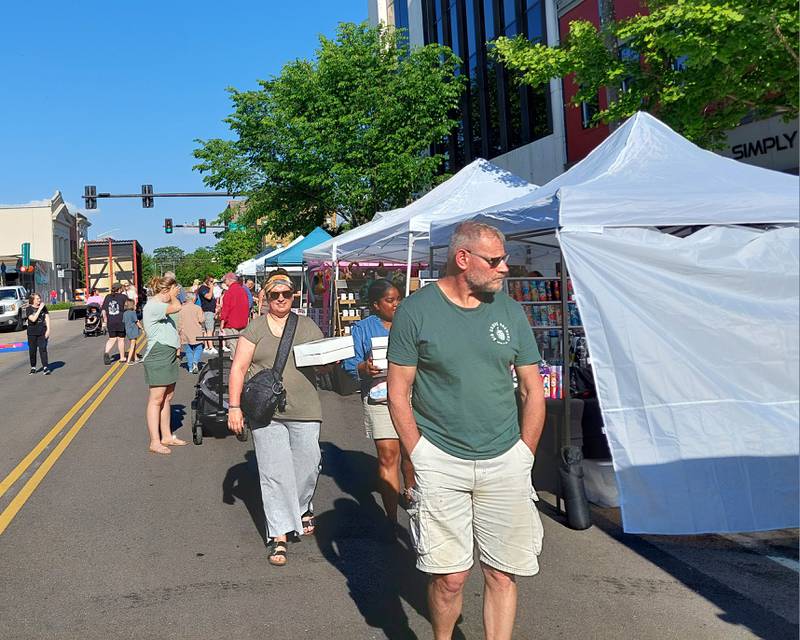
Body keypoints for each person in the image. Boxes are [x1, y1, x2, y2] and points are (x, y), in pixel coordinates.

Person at [387, 221, 546, 640]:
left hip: (505, 461)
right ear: (463, 260)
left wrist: (524, 454)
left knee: (502, 573)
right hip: (440, 460)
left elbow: (533, 389)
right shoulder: (416, 311)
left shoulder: (510, 312)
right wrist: (418, 453)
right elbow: (398, 392)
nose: (505, 268)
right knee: (449, 577)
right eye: (495, 261)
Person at [227, 269, 325, 567]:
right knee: (273, 472)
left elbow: (322, 364)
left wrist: (330, 363)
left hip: (305, 408)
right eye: (274, 295)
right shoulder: (255, 328)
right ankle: (279, 535)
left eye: (286, 294)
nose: (280, 299)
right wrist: (234, 407)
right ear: (266, 297)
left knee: (309, 464)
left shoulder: (307, 326)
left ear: (294, 295)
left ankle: (301, 505)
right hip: (265, 412)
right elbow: (238, 369)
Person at [343, 279, 414, 527]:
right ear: (375, 305)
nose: (396, 304)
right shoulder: (362, 329)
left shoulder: (411, 324)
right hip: (380, 399)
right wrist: (364, 367)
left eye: (398, 299)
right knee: (387, 455)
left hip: (412, 398)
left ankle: (411, 494)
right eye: (390, 300)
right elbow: (350, 363)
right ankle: (391, 518)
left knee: (411, 453)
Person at [141, 275, 186, 454]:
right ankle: (155, 441)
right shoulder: (153, 306)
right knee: (156, 399)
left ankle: (166, 436)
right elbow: (177, 307)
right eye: (174, 290)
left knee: (167, 398)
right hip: (158, 355)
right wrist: (174, 294)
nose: (177, 293)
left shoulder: (161, 307)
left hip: (168, 353)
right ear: (165, 291)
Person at [219, 272, 250, 361]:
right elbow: (248, 304)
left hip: (231, 322)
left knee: (233, 344)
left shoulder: (229, 292)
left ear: (229, 280)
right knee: (242, 344)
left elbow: (226, 309)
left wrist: (222, 322)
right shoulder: (243, 290)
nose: (225, 282)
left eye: (225, 280)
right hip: (243, 321)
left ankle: (236, 364)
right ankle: (244, 363)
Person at [102, 283, 130, 364]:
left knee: (112, 338)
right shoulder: (123, 297)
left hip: (110, 320)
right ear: (120, 289)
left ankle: (106, 352)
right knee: (121, 339)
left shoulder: (107, 297)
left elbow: (104, 310)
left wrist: (105, 320)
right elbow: (129, 307)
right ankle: (122, 357)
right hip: (120, 320)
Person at [179, 291, 205, 374]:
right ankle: (195, 361)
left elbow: (179, 322)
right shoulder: (197, 308)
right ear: (193, 298)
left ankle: (190, 367)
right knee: (199, 348)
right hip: (196, 330)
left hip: (185, 331)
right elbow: (201, 320)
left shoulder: (181, 308)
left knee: (189, 350)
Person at [25, 292, 50, 375]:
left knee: (43, 349)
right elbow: (33, 319)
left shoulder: (43, 307)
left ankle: (45, 367)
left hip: (42, 331)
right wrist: (39, 309)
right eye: (37, 299)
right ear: (33, 300)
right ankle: (33, 367)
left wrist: (48, 330)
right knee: (32, 350)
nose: (39, 300)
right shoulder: (29, 309)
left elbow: (47, 317)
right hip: (32, 332)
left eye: (40, 298)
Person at [196, 276, 218, 354]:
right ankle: (211, 347)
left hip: (210, 311)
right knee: (209, 329)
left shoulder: (207, 288)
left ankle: (206, 346)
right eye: (211, 281)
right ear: (206, 281)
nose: (213, 283)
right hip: (207, 311)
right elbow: (208, 297)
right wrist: (211, 288)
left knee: (206, 330)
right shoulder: (203, 288)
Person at [123, 299, 143, 365]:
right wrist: (142, 328)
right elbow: (137, 321)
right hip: (133, 330)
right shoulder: (133, 312)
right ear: (132, 305)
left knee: (133, 344)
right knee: (132, 345)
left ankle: (135, 358)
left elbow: (124, 321)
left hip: (128, 330)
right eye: (134, 304)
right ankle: (128, 360)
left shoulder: (125, 313)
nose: (135, 306)